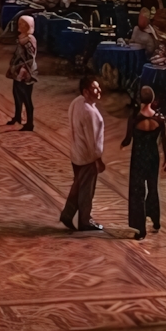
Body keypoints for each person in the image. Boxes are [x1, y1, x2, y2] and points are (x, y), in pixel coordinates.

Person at [122, 85, 166, 240]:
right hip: (153, 157)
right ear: (152, 99)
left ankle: (140, 228)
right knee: (153, 188)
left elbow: (128, 139)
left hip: (138, 157)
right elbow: (165, 142)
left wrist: (122, 145)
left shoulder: (135, 118)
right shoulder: (160, 120)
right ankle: (155, 221)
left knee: (138, 191)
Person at [61, 77, 106, 233]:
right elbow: (92, 141)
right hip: (87, 158)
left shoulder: (76, 102)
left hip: (76, 153)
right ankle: (84, 221)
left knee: (77, 186)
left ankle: (68, 214)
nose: (99, 91)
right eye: (95, 88)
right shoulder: (90, 113)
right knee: (86, 190)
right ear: (86, 91)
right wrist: (98, 160)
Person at [6, 15, 37, 131]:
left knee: (26, 97)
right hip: (17, 72)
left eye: (22, 24)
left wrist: (23, 70)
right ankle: (18, 117)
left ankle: (30, 123)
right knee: (16, 94)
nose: (19, 26)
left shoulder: (29, 40)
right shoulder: (21, 38)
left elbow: (30, 58)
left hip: (26, 74)